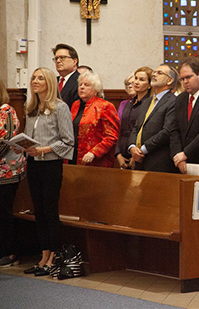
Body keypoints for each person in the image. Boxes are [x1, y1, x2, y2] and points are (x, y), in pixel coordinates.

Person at [22, 68, 74, 276]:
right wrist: (22, 146)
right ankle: (43, 255)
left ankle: (54, 256)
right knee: (39, 210)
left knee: (50, 210)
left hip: (51, 163)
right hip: (33, 163)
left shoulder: (60, 108)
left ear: (50, 83)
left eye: (40, 78)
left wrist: (44, 149)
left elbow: (68, 140)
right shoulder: (31, 108)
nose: (35, 81)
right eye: (33, 78)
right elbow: (29, 136)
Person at [129, 64, 178, 172]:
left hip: (158, 161)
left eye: (160, 73)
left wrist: (143, 150)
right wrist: (132, 147)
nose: (155, 74)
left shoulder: (173, 101)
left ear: (169, 81)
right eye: (155, 72)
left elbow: (166, 131)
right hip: (139, 161)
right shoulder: (147, 102)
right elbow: (137, 127)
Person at [0, 80, 27, 267]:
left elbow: (6, 140)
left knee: (3, 211)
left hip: (6, 171)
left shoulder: (6, 110)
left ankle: (8, 252)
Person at [70, 71, 119, 168]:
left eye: (86, 85)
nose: (82, 87)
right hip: (72, 158)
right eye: (80, 85)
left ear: (96, 89)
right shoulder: (75, 105)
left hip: (95, 161)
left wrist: (94, 153)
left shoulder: (105, 106)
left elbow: (111, 137)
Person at [115, 67, 153, 170]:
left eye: (141, 80)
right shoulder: (129, 104)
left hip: (139, 155)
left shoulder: (150, 104)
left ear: (149, 85)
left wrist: (135, 155)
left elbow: (146, 132)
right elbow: (122, 130)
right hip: (123, 153)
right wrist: (118, 153)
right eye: (136, 78)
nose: (136, 82)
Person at [52, 43, 80, 109]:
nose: (58, 61)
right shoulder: (53, 81)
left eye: (62, 57)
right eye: (56, 58)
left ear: (74, 61)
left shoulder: (81, 81)